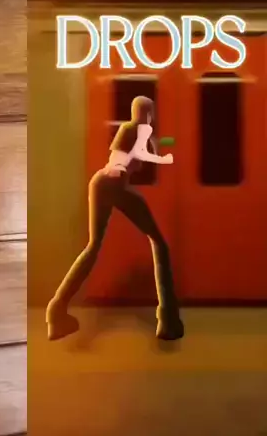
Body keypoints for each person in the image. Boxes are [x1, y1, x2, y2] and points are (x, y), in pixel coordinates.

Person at [46, 95, 184, 341]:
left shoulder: (129, 130)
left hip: (101, 183)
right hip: (115, 184)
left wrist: (154, 145)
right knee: (159, 243)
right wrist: (160, 152)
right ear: (147, 113)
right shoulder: (136, 129)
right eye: (150, 112)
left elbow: (136, 156)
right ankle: (168, 320)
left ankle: (57, 310)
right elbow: (139, 157)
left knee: (93, 246)